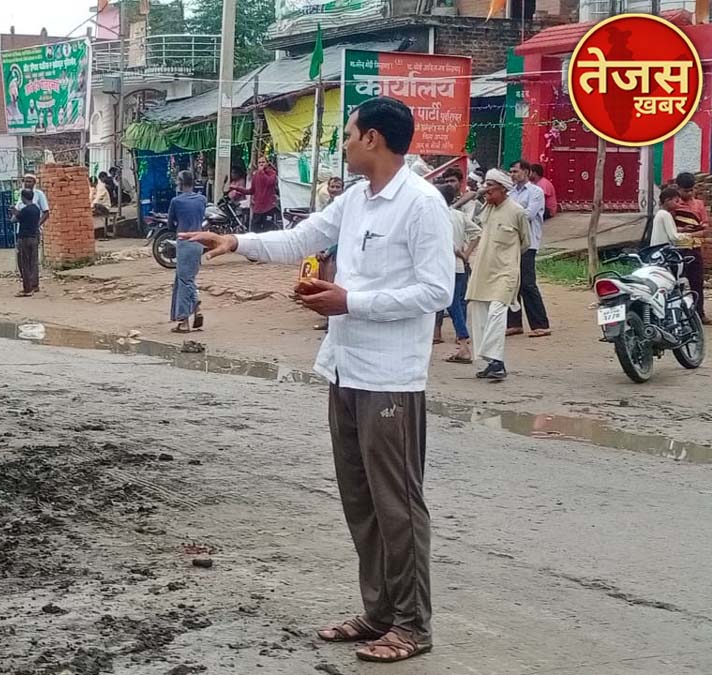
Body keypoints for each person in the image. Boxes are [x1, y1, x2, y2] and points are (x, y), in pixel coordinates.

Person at [182, 97, 452, 664]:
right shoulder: (356, 200)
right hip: (345, 368)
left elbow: (437, 293)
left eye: (349, 133)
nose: (344, 143)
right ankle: (379, 613)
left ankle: (412, 624)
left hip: (391, 379)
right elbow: (300, 239)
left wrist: (350, 301)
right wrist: (235, 243)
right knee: (361, 501)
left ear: (373, 139)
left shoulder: (421, 204)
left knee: (397, 504)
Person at [465, 170, 531, 382]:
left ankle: (495, 360)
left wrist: (508, 259)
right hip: (484, 270)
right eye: (484, 185)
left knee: (496, 312)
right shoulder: (487, 208)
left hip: (505, 271)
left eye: (490, 186)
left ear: (503, 188)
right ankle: (494, 362)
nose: (486, 190)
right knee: (477, 310)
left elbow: (525, 242)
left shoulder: (517, 212)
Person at [506, 159, 551, 338]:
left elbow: (529, 215)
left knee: (527, 283)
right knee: (512, 283)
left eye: (516, 171)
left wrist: (510, 215)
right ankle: (514, 323)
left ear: (526, 172)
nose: (513, 174)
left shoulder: (536, 192)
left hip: (529, 243)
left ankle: (541, 324)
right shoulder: (510, 193)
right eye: (511, 172)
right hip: (511, 243)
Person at [437, 183, 481, 363]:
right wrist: (467, 254)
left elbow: (446, 241)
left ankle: (463, 343)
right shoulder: (459, 216)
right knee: (455, 303)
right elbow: (477, 233)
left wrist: (460, 253)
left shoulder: (438, 217)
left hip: (442, 266)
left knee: (450, 304)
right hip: (458, 266)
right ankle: (462, 341)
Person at [169, 170, 208, 333]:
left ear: (179, 183)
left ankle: (184, 320)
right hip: (199, 241)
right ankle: (195, 309)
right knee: (184, 279)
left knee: (185, 282)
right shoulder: (202, 199)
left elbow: (171, 224)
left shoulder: (176, 201)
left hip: (184, 242)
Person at [673, 172, 710, 324]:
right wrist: (688, 231)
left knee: (697, 283)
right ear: (678, 188)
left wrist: (688, 232)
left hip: (694, 249)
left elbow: (705, 229)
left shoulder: (699, 205)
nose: (689, 193)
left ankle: (699, 314)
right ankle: (677, 316)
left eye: (691, 190)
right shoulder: (673, 204)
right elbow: (671, 229)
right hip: (677, 251)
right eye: (685, 191)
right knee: (676, 284)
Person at [230, 156, 279, 232]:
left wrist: (261, 172)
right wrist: (237, 188)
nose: (261, 164)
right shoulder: (256, 175)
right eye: (259, 162)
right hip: (258, 208)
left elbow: (269, 182)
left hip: (268, 208)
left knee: (267, 231)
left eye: (263, 162)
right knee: (254, 231)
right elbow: (251, 191)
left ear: (267, 163)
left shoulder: (272, 173)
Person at [14, 189, 42, 297]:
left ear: (23, 197)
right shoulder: (36, 209)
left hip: (24, 238)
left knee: (24, 263)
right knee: (33, 262)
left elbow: (14, 219)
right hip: (34, 237)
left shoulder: (25, 210)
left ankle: (27, 289)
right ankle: (35, 285)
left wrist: (15, 212)